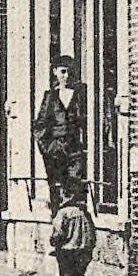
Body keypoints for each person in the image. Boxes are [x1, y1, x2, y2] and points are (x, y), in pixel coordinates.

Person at [33, 57, 88, 212]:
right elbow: (40, 126)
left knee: (74, 186)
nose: (67, 75)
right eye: (63, 71)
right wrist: (49, 147)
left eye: (70, 72)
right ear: (55, 72)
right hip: (55, 150)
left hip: (76, 148)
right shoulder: (50, 97)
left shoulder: (80, 94)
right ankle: (58, 226)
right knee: (57, 187)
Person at [50, 180, 97, 276]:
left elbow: (58, 234)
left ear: (65, 195)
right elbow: (92, 232)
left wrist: (54, 242)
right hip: (84, 250)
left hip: (68, 251)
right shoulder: (84, 212)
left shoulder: (63, 213)